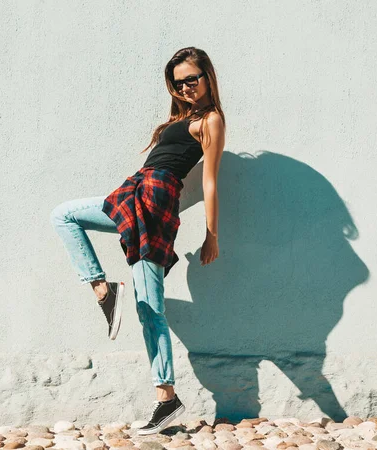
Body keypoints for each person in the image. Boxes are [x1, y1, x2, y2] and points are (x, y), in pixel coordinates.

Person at [50, 47, 226, 434]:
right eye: (178, 83)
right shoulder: (184, 117)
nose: (185, 88)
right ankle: (167, 398)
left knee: (64, 215)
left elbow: (210, 179)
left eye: (191, 80)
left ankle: (105, 294)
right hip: (140, 189)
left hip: (157, 196)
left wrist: (212, 235)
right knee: (149, 306)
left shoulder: (210, 119)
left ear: (207, 77)